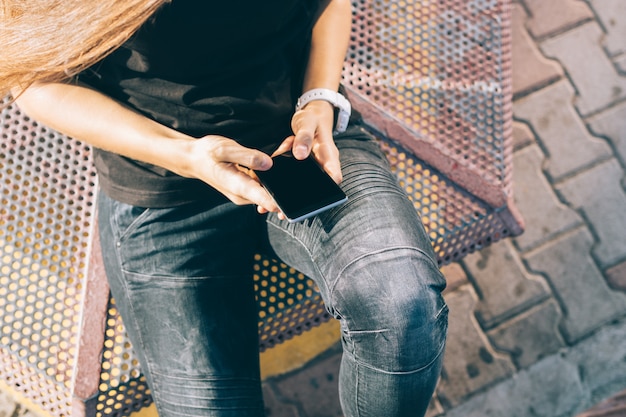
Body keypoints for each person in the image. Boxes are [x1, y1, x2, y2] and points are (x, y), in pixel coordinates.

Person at [1, 0, 448, 416]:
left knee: (401, 306)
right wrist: (186, 156)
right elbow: (30, 76)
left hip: (297, 148)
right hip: (162, 187)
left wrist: (319, 98)